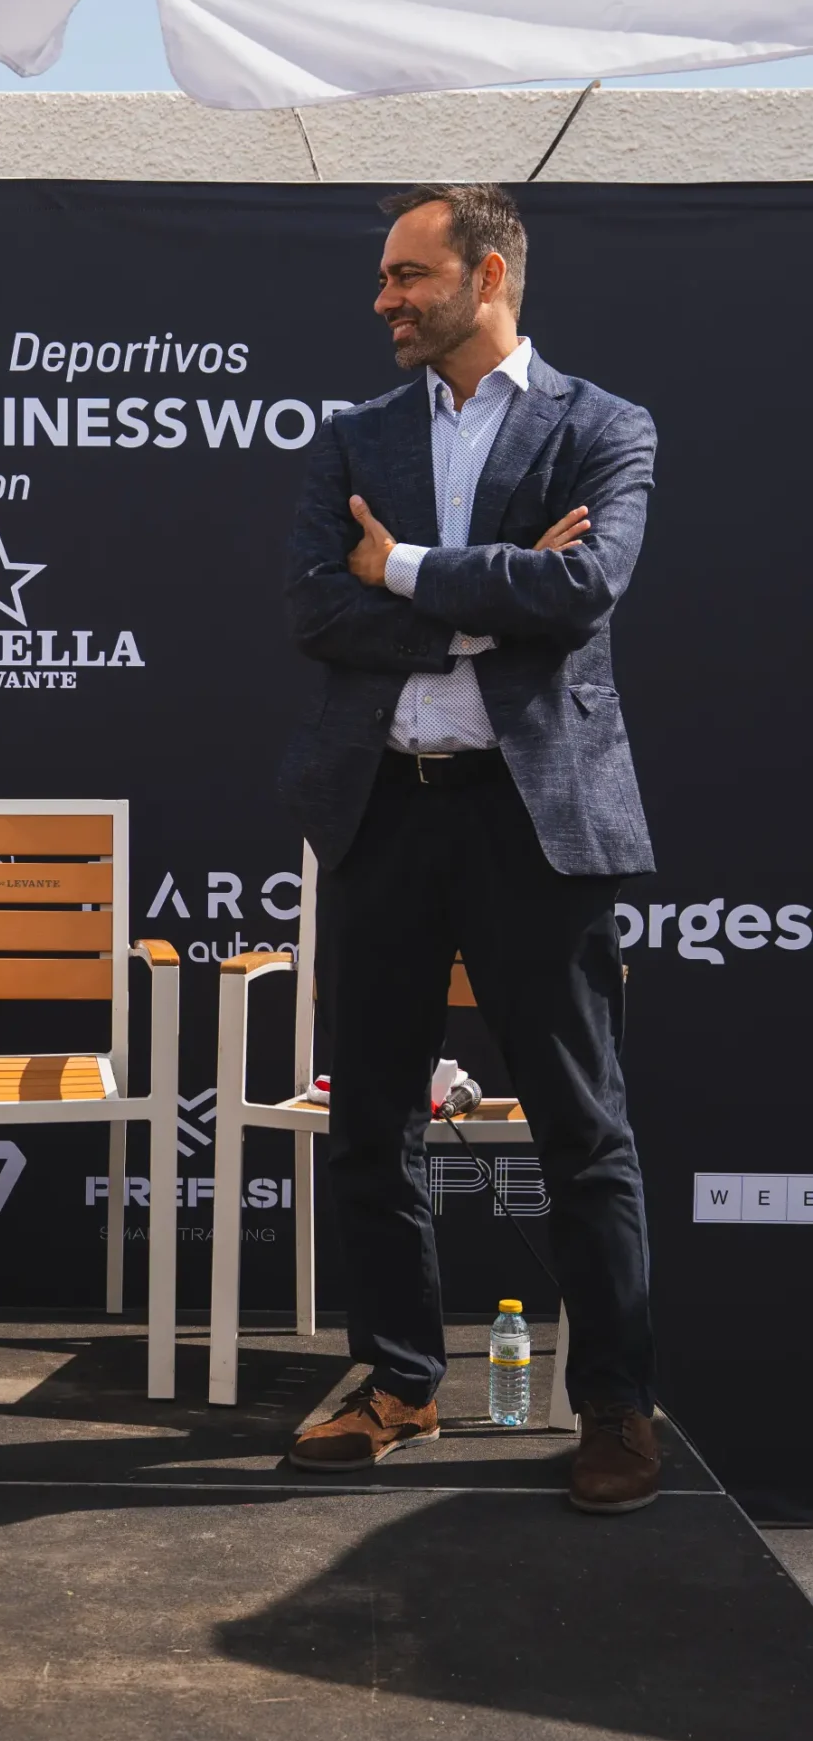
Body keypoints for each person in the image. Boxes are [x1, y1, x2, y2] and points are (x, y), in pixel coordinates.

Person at [279, 183, 660, 1514]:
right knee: (369, 1124)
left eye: (408, 274)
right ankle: (397, 1384)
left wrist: (402, 569)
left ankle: (613, 1408)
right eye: (386, 276)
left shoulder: (602, 427)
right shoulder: (354, 434)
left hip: (532, 819)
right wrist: (485, 592)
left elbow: (581, 587)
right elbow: (314, 610)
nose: (383, 297)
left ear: (485, 276)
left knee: (581, 1130)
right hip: (383, 810)